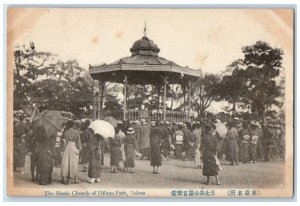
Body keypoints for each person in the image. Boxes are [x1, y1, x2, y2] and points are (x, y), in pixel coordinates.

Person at [61, 120, 82, 184]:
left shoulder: (66, 132)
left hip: (67, 147)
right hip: (73, 146)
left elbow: (64, 140)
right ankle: (72, 179)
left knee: (66, 163)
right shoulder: (76, 132)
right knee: (73, 163)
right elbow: (78, 141)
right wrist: (79, 148)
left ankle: (65, 178)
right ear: (73, 125)